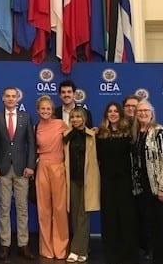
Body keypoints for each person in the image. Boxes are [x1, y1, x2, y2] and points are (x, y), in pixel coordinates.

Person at [0, 87, 36, 261]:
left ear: (18, 98)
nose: (10, 99)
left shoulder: (26, 117)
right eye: (7, 96)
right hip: (2, 169)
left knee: (22, 209)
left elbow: (31, 144)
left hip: (22, 169)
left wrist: (31, 165)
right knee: (4, 208)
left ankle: (23, 245)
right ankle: (5, 244)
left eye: (13, 96)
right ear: (3, 98)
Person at [132, 100, 163, 264]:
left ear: (152, 113)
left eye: (146, 110)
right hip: (147, 187)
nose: (143, 113)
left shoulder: (158, 131)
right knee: (153, 226)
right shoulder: (138, 132)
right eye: (140, 111)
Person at [96, 102, 138, 264]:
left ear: (120, 114)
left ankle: (128, 253)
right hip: (107, 182)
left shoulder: (128, 133)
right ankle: (111, 252)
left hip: (125, 181)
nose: (113, 114)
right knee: (109, 217)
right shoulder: (100, 134)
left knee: (127, 217)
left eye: (115, 111)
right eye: (110, 111)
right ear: (106, 115)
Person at [34, 95, 69, 260]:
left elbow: (76, 135)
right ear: (38, 110)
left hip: (58, 167)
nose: (46, 111)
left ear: (52, 110)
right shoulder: (36, 127)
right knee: (44, 209)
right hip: (42, 167)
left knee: (60, 208)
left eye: (48, 108)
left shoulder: (60, 124)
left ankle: (61, 247)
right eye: (43, 109)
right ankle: (46, 248)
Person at [64, 106, 100, 263]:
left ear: (84, 118)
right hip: (71, 180)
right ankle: (83, 248)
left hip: (88, 180)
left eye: (78, 117)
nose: (75, 119)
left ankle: (77, 250)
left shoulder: (92, 135)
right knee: (74, 215)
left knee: (83, 215)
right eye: (72, 117)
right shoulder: (66, 136)